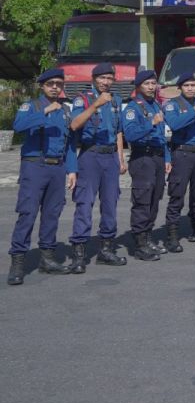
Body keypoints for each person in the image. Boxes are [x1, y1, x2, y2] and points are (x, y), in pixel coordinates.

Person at [8, 69, 73, 285]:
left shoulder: (65, 111)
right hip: (35, 166)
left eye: (59, 84)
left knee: (52, 214)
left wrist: (72, 170)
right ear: (42, 86)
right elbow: (18, 126)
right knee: (27, 213)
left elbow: (69, 143)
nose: (55, 87)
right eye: (51, 83)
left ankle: (47, 258)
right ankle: (17, 262)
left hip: (57, 168)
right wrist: (45, 112)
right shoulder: (32, 106)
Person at [66, 62, 127, 271]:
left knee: (110, 203)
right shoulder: (82, 99)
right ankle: (79, 253)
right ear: (94, 79)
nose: (106, 82)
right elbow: (74, 125)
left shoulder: (116, 100)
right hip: (90, 155)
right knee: (85, 203)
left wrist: (121, 157)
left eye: (110, 78)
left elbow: (118, 130)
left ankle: (106, 249)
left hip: (110, 156)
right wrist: (96, 105)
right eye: (102, 78)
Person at [121, 69, 171, 262]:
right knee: (142, 200)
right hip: (143, 158)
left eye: (153, 84)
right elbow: (131, 135)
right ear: (139, 87)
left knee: (155, 199)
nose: (151, 87)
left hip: (157, 157)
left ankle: (148, 237)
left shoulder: (155, 105)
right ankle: (140, 243)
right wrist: (151, 122)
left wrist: (167, 158)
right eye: (147, 84)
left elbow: (163, 136)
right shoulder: (133, 108)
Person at [162, 72, 195, 251]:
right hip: (182, 153)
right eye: (187, 86)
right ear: (180, 88)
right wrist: (194, 111)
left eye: (193, 85)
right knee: (177, 195)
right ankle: (172, 236)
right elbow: (175, 124)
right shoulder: (173, 105)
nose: (190, 88)